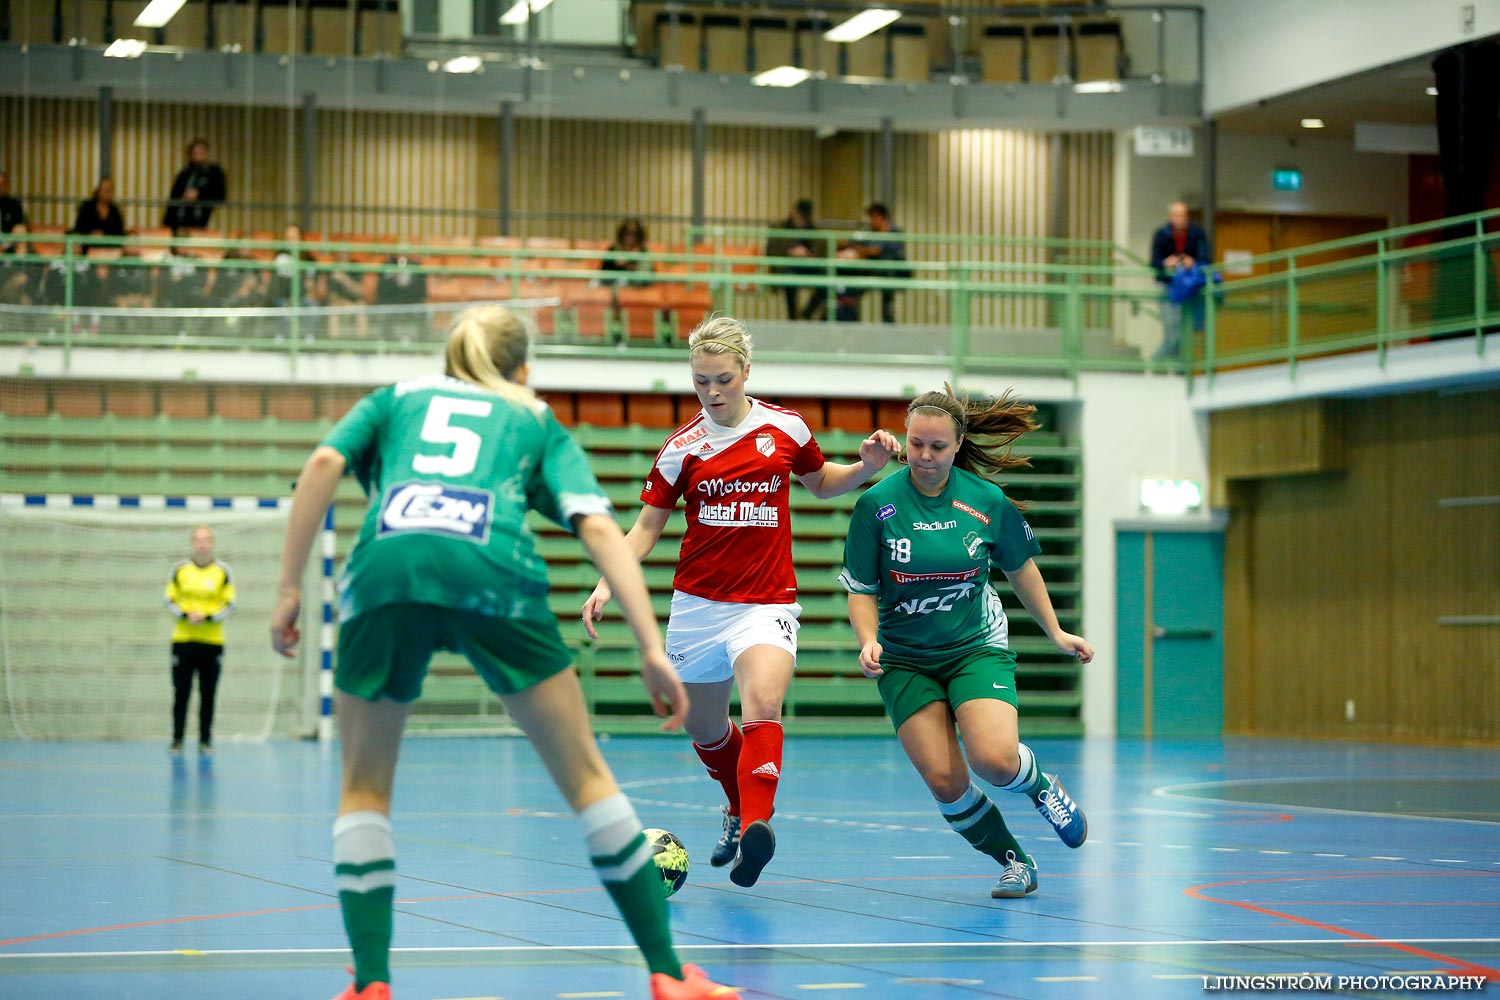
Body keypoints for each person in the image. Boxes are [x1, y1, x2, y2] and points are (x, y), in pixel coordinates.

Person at [269, 304, 739, 1000]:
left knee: (363, 789)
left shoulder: (395, 399)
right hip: (495, 571)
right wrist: (647, 644)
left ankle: (370, 981)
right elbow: (601, 528)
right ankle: (669, 974)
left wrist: (288, 590)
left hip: (386, 566)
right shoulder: (531, 417)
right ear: (523, 367)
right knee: (586, 779)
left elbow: (323, 463)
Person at [582, 315, 899, 888]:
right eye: (700, 381)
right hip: (698, 605)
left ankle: (757, 828)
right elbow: (646, 528)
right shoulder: (683, 447)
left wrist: (868, 469)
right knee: (704, 726)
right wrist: (608, 579)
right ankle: (736, 806)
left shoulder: (786, 428)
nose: (712, 393)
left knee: (763, 704)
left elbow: (822, 482)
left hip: (766, 601)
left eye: (723, 379)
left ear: (746, 372)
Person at [839, 385, 1093, 899]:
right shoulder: (876, 505)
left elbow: (1020, 569)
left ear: (957, 445)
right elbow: (862, 590)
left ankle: (1042, 787)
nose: (925, 457)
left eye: (936, 447)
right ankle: (1015, 862)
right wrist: (867, 641)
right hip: (905, 659)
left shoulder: (985, 500)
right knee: (945, 782)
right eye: (915, 445)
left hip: (974, 646)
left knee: (995, 761)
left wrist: (1056, 631)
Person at [165, 525, 236, 754]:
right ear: (193, 542)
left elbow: (231, 604)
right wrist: (187, 615)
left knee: (208, 694)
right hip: (184, 641)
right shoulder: (180, 570)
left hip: (212, 642)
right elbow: (168, 600)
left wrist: (208, 617)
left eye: (206, 540)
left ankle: (205, 740)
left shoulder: (223, 571)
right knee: (181, 692)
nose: (202, 544)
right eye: (198, 540)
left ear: (212, 543)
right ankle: (177, 739)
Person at [1149, 201, 1212, 362]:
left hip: (1190, 286)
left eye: (1183, 215)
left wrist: (1192, 262)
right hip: (1168, 285)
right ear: (1170, 217)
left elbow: (1205, 258)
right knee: (1172, 330)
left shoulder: (1197, 233)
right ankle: (1158, 364)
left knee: (1189, 330)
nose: (1180, 218)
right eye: (1176, 215)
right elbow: (1154, 262)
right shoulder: (1161, 234)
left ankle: (1177, 367)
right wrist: (1166, 263)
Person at [834, 202, 909, 323]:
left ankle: (888, 322)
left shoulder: (894, 233)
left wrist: (859, 251)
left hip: (891, 273)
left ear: (882, 217)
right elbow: (856, 244)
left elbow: (876, 251)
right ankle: (850, 317)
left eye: (873, 217)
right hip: (871, 271)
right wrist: (847, 246)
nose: (871, 221)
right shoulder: (869, 232)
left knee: (887, 294)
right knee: (850, 284)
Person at [764, 198, 827, 320]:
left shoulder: (813, 230)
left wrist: (809, 255)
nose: (801, 220)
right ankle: (792, 317)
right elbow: (771, 250)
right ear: (793, 212)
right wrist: (790, 252)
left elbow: (821, 251)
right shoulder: (779, 228)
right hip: (787, 266)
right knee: (790, 279)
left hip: (809, 267)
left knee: (827, 280)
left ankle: (807, 313)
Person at [163, 138, 228, 232]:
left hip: (201, 218)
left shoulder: (214, 172)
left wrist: (199, 194)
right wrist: (167, 221)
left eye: (201, 153)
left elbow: (220, 194)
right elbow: (174, 197)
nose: (198, 156)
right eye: (195, 153)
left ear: (207, 153)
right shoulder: (184, 173)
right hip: (178, 219)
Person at [71, 177, 128, 242]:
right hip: (87, 244)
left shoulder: (115, 211)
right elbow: (79, 228)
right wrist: (91, 234)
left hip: (109, 246)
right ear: (98, 191)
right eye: (103, 189)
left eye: (108, 190)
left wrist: (104, 235)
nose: (105, 193)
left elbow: (119, 233)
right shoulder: (86, 207)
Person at [0, 169, 27, 235]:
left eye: (2, 184)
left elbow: (19, 226)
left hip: (8, 241)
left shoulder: (14, 205)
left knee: (20, 229)